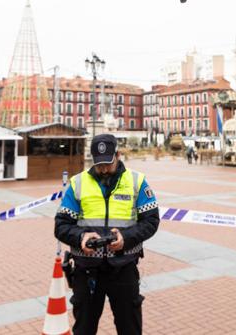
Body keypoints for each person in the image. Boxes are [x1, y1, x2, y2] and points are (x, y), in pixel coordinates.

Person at [55, 133, 159, 335]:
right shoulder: (77, 183)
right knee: (84, 329)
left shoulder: (137, 181)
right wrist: (80, 237)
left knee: (129, 327)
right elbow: (61, 225)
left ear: (118, 155)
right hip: (86, 270)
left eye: (107, 164)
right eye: (98, 164)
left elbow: (151, 221)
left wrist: (126, 238)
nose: (103, 169)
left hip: (124, 268)